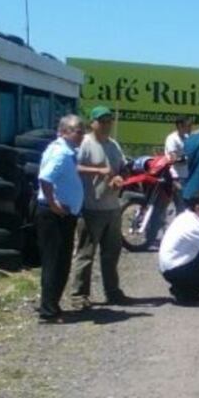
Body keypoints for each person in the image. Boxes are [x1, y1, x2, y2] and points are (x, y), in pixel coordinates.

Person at [68, 106, 129, 309]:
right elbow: (74, 167)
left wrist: (120, 178)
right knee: (86, 253)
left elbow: (121, 168)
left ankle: (112, 291)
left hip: (112, 207)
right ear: (92, 123)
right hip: (90, 207)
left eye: (109, 121)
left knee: (111, 252)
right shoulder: (84, 143)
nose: (106, 125)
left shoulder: (113, 145)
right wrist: (98, 170)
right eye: (101, 121)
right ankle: (79, 295)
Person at [36, 114, 86, 322]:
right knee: (55, 263)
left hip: (63, 214)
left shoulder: (65, 151)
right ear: (64, 131)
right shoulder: (61, 154)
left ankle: (52, 304)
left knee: (61, 261)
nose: (82, 135)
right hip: (54, 215)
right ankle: (48, 310)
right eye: (77, 131)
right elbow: (46, 178)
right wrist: (54, 204)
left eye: (83, 131)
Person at [164, 115, 192, 213]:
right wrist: (187, 158)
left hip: (186, 176)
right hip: (176, 176)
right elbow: (173, 159)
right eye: (188, 125)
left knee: (186, 206)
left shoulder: (187, 137)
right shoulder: (172, 139)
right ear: (180, 125)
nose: (190, 128)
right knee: (181, 206)